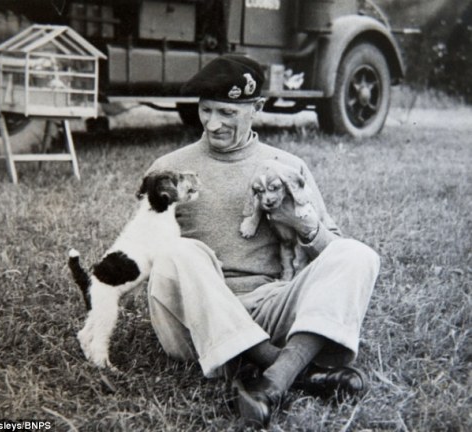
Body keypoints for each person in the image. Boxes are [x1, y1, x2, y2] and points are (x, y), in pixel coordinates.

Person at [145, 55, 380, 426]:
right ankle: (288, 369)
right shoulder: (167, 169)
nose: (212, 123)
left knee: (358, 255)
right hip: (196, 317)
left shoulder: (287, 167)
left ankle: (267, 383)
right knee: (177, 252)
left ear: (256, 108)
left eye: (227, 113)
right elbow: (143, 251)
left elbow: (331, 252)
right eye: (206, 110)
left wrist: (304, 226)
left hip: (269, 307)